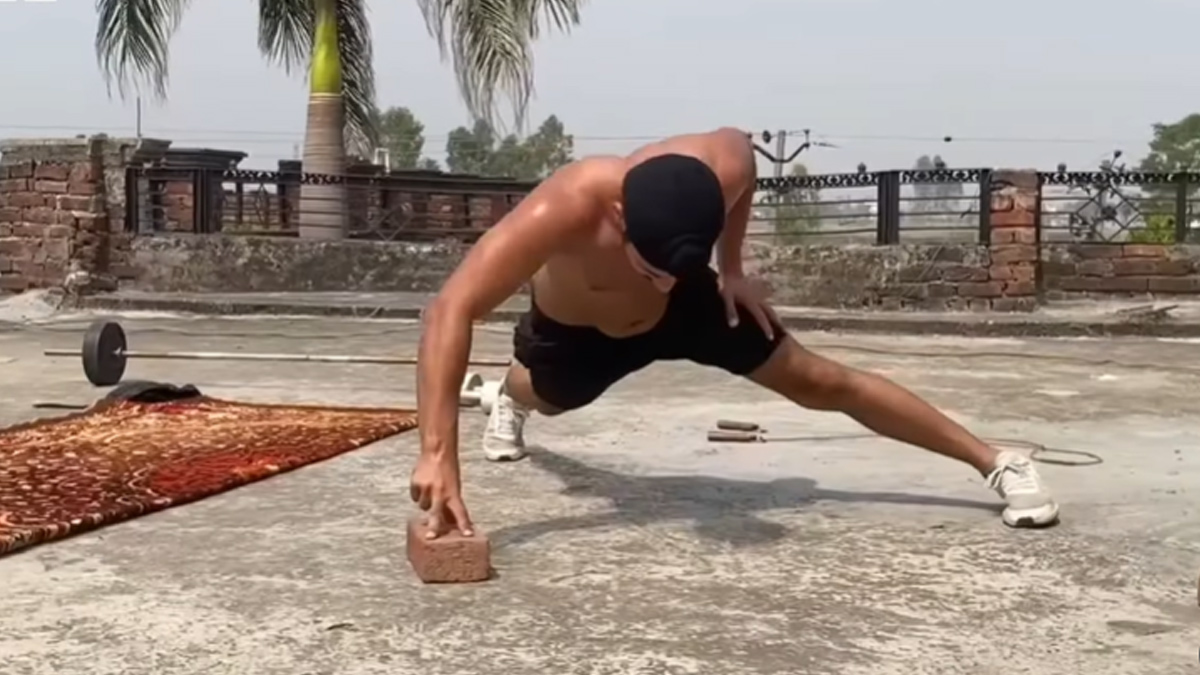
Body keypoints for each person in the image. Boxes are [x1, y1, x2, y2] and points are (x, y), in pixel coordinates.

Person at [410, 127, 1060, 539]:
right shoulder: (563, 206)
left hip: (697, 306)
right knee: (545, 396)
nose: (658, 283)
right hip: (582, 329)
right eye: (649, 269)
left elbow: (744, 163)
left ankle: (995, 460)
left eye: (670, 272)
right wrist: (438, 453)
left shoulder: (718, 163)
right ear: (619, 216)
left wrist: (733, 269)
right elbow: (450, 310)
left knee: (821, 381)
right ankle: (505, 397)